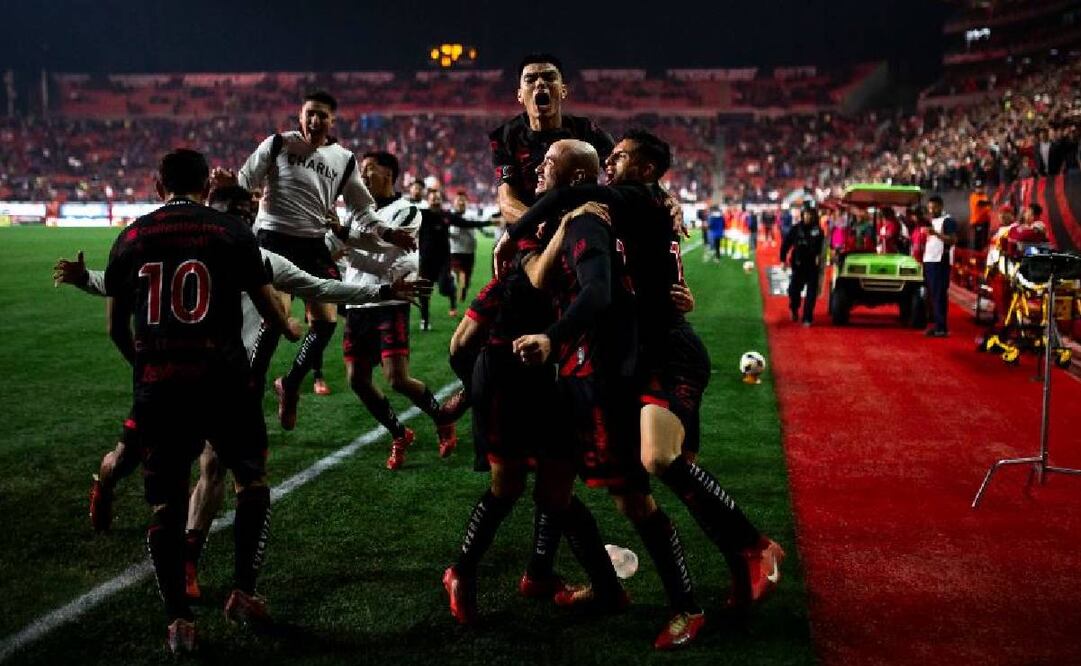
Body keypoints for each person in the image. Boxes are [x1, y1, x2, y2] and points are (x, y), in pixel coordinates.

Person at [59, 183, 427, 599]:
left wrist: (382, 291)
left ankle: (189, 561)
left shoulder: (261, 258)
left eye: (247, 213)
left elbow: (320, 287)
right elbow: (118, 281)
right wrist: (84, 278)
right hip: (170, 381)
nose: (242, 220)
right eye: (235, 212)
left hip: (227, 384)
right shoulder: (186, 253)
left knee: (214, 465)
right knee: (126, 459)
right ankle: (105, 485)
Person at [102, 149, 298, 654]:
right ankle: (243, 592)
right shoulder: (231, 232)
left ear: (158, 185)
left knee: (167, 502)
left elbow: (115, 327)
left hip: (160, 387)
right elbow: (267, 308)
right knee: (250, 480)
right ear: (206, 186)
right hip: (223, 381)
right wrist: (287, 326)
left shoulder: (131, 236)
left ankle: (179, 621)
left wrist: (146, 366)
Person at [513, 139, 705, 650]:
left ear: (577, 179)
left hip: (597, 374)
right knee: (551, 490)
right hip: (569, 374)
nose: (538, 171)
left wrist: (551, 337)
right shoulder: (573, 217)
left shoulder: (588, 222)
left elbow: (597, 292)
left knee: (632, 500)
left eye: (548, 164)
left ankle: (686, 605)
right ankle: (604, 587)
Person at [235, 90, 414, 431]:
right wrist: (231, 193)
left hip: (313, 244)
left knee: (326, 320)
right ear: (300, 116)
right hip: (272, 239)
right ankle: (249, 401)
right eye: (310, 114)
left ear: (332, 120)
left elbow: (363, 209)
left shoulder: (344, 159)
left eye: (322, 115)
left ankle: (290, 384)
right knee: (274, 320)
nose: (315, 120)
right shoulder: (278, 144)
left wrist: (390, 233)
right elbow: (244, 182)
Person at [337, 151, 462, 468]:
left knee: (397, 379)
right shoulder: (355, 212)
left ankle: (442, 418)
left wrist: (344, 238)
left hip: (390, 303)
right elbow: (342, 250)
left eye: (369, 169)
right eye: (361, 170)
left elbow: (384, 246)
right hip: (358, 301)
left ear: (388, 173)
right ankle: (398, 433)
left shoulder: (407, 211)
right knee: (357, 379)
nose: (363, 175)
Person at [417, 189, 488, 330]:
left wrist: (490, 223)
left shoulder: (446, 215)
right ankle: (424, 320)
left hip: (443, 260)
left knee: (444, 288)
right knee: (424, 291)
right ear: (428, 201)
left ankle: (452, 294)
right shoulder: (421, 215)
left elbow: (466, 223)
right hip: (426, 261)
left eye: (438, 199)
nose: (436, 201)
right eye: (433, 199)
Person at [780, 203, 824, 326]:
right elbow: (786, 244)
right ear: (802, 215)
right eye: (806, 214)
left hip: (812, 266)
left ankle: (807, 317)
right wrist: (783, 259)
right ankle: (794, 308)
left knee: (811, 293)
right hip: (798, 265)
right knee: (794, 291)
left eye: (810, 214)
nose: (808, 217)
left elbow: (822, 248)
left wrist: (820, 258)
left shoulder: (818, 231)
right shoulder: (795, 229)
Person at [923, 195, 958, 337]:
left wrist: (936, 234)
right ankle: (937, 325)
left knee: (939, 295)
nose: (931, 210)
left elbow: (952, 240)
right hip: (930, 260)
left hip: (940, 261)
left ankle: (941, 327)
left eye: (934, 208)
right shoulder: (932, 221)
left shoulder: (947, 221)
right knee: (932, 295)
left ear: (941, 206)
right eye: (929, 208)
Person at [448, 191, 478, 311]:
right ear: (454, 202)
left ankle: (463, 289)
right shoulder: (450, 216)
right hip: (455, 251)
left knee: (466, 279)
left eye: (463, 200)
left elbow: (478, 229)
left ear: (466, 202)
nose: (461, 202)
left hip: (469, 252)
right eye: (458, 200)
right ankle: (453, 303)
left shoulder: (471, 215)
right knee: (460, 274)